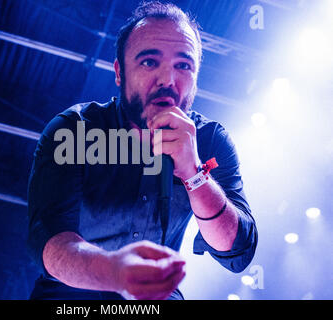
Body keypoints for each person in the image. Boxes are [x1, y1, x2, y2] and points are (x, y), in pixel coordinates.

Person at [27, 1, 257, 300]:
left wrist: (193, 174)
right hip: (69, 296)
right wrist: (115, 272)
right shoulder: (73, 130)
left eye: (183, 66)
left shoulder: (210, 140)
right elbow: (49, 240)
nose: (168, 80)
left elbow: (237, 250)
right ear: (119, 73)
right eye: (149, 62)